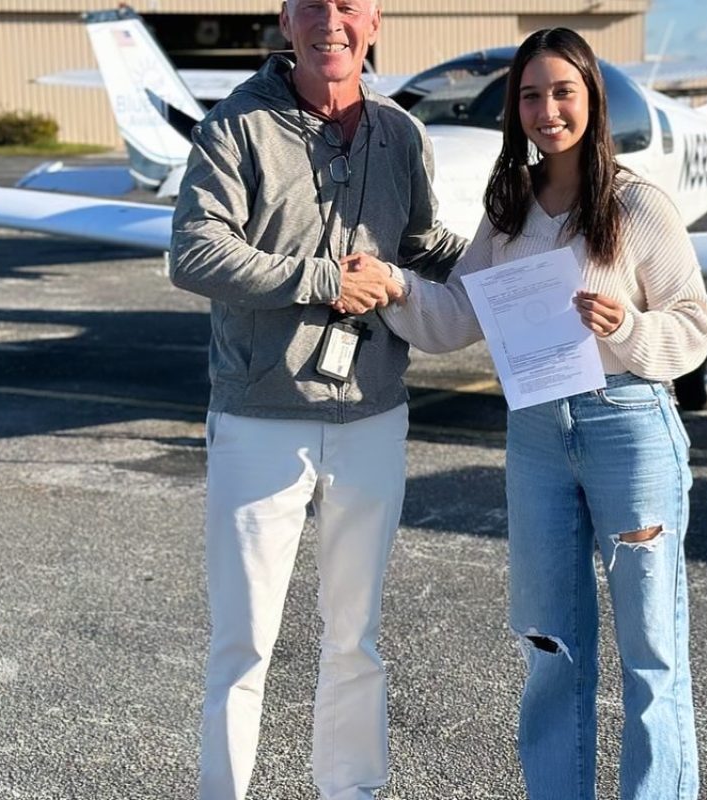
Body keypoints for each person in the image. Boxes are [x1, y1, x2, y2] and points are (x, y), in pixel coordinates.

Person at [373, 27, 707, 800]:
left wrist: (625, 325)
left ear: (591, 100)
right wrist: (395, 287)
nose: (546, 109)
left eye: (563, 92)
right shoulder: (508, 209)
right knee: (551, 645)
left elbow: (695, 326)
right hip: (534, 438)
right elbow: (458, 313)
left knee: (652, 652)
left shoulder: (636, 203)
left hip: (627, 430)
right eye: (530, 95)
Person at [168, 0, 466, 797]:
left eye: (347, 5)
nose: (328, 20)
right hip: (260, 420)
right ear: (284, 19)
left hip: (374, 416)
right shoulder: (235, 126)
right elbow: (194, 252)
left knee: (356, 639)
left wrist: (534, 263)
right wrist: (324, 280)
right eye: (310, 4)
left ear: (374, 20)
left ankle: (352, 790)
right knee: (243, 645)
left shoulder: (402, 134)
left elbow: (425, 246)